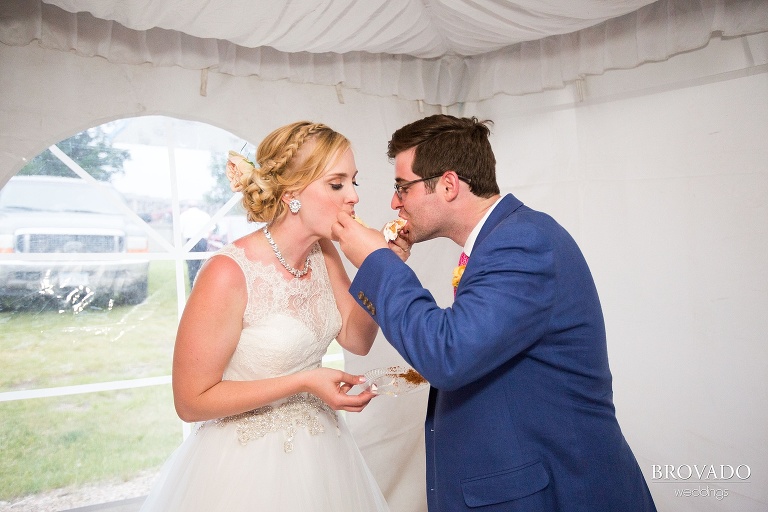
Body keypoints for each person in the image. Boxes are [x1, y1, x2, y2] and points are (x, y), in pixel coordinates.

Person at [332, 115, 656, 511]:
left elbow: (448, 354)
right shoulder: (500, 239)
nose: (394, 202)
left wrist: (378, 261)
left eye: (402, 187)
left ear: (448, 185)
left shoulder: (523, 241)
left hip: (560, 493)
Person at [140, 121, 389, 511]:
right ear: (292, 192)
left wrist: (382, 267)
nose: (353, 197)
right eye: (337, 184)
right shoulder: (227, 272)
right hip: (244, 466)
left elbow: (356, 339)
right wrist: (304, 381)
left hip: (323, 455)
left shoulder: (324, 252)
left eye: (354, 182)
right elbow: (190, 401)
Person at [179, 202, 212, 287]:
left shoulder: (184, 215)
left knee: (191, 267)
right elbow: (210, 230)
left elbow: (180, 231)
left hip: (190, 241)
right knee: (202, 266)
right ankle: (201, 286)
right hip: (202, 241)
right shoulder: (204, 215)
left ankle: (193, 287)